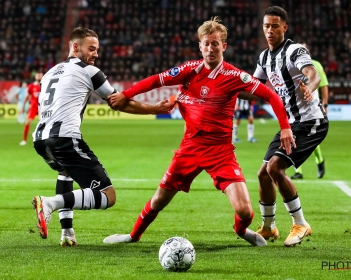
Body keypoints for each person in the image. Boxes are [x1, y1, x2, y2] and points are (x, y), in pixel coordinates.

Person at [103, 17, 295, 247]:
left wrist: (285, 126)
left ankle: (240, 230)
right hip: (190, 149)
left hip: (221, 152)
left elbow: (271, 96)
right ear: (200, 45)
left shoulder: (234, 77)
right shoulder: (188, 70)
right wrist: (127, 93)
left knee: (245, 212)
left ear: (224, 46)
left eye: (215, 43)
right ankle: (133, 236)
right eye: (206, 43)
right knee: (158, 201)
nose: (210, 48)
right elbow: (156, 80)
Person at [31, 27, 174, 246]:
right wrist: (155, 109)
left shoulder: (50, 73)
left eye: (97, 49)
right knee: (107, 196)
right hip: (64, 137)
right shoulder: (89, 71)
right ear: (75, 47)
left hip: (40, 139)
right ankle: (49, 203)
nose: (96, 54)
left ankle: (67, 233)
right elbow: (118, 101)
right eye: (91, 49)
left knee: (65, 172)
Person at [252, 6, 329, 247]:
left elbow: (312, 73)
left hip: (311, 121)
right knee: (263, 174)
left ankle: (300, 223)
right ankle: (268, 227)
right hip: (290, 124)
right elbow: (253, 88)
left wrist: (310, 86)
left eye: (275, 25)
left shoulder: (295, 50)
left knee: (275, 167)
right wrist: (224, 90)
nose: (270, 30)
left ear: (284, 27)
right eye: (267, 26)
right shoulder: (264, 57)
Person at [290, 42, 329, 180]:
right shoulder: (291, 64)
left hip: (312, 107)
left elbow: (324, 85)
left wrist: (325, 104)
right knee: (294, 138)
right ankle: (298, 171)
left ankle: (319, 161)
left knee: (310, 138)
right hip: (295, 109)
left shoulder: (316, 65)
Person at [19, 72, 43, 145]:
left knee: (44, 124)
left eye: (40, 75)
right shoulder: (31, 86)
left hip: (42, 108)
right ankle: (24, 140)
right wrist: (22, 107)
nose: (39, 76)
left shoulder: (45, 85)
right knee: (27, 122)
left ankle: (43, 139)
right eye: (37, 75)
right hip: (33, 107)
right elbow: (27, 97)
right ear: (35, 77)